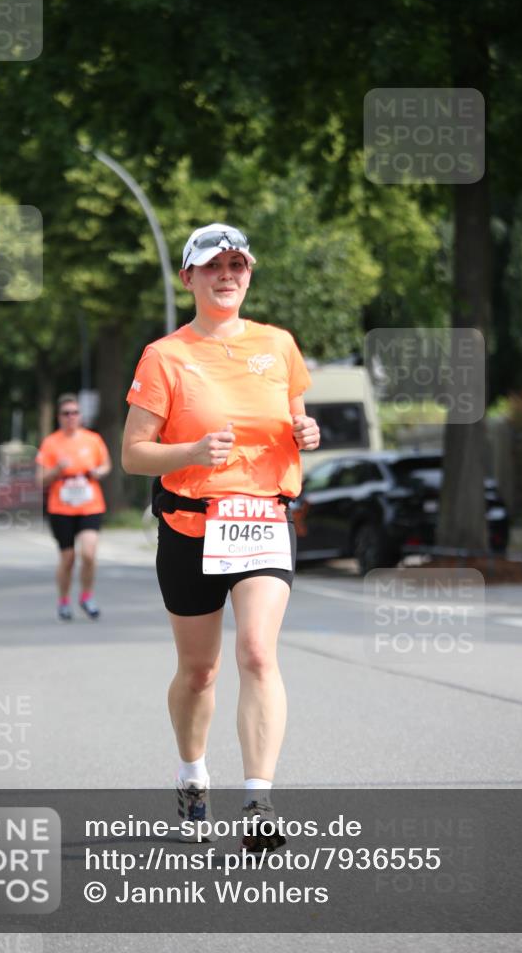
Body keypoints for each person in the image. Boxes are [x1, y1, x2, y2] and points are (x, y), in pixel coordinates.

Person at [121, 222, 320, 852]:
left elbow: (292, 418)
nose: (227, 274)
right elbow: (133, 455)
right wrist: (192, 450)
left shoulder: (279, 345)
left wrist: (306, 431)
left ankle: (259, 801)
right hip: (190, 526)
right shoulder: (165, 356)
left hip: (263, 519)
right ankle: (192, 775)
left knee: (259, 654)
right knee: (200, 671)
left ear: (249, 273)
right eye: (213, 266)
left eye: (237, 264)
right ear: (189, 278)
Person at [36, 394, 112, 622]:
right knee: (68, 558)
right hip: (61, 507)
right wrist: (57, 469)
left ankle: (87, 596)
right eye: (66, 413)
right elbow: (40, 479)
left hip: (90, 504)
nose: (71, 417)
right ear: (59, 417)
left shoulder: (93, 439)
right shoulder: (51, 443)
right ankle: (64, 601)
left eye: (75, 412)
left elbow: (106, 464)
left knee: (89, 554)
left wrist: (99, 472)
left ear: (80, 416)